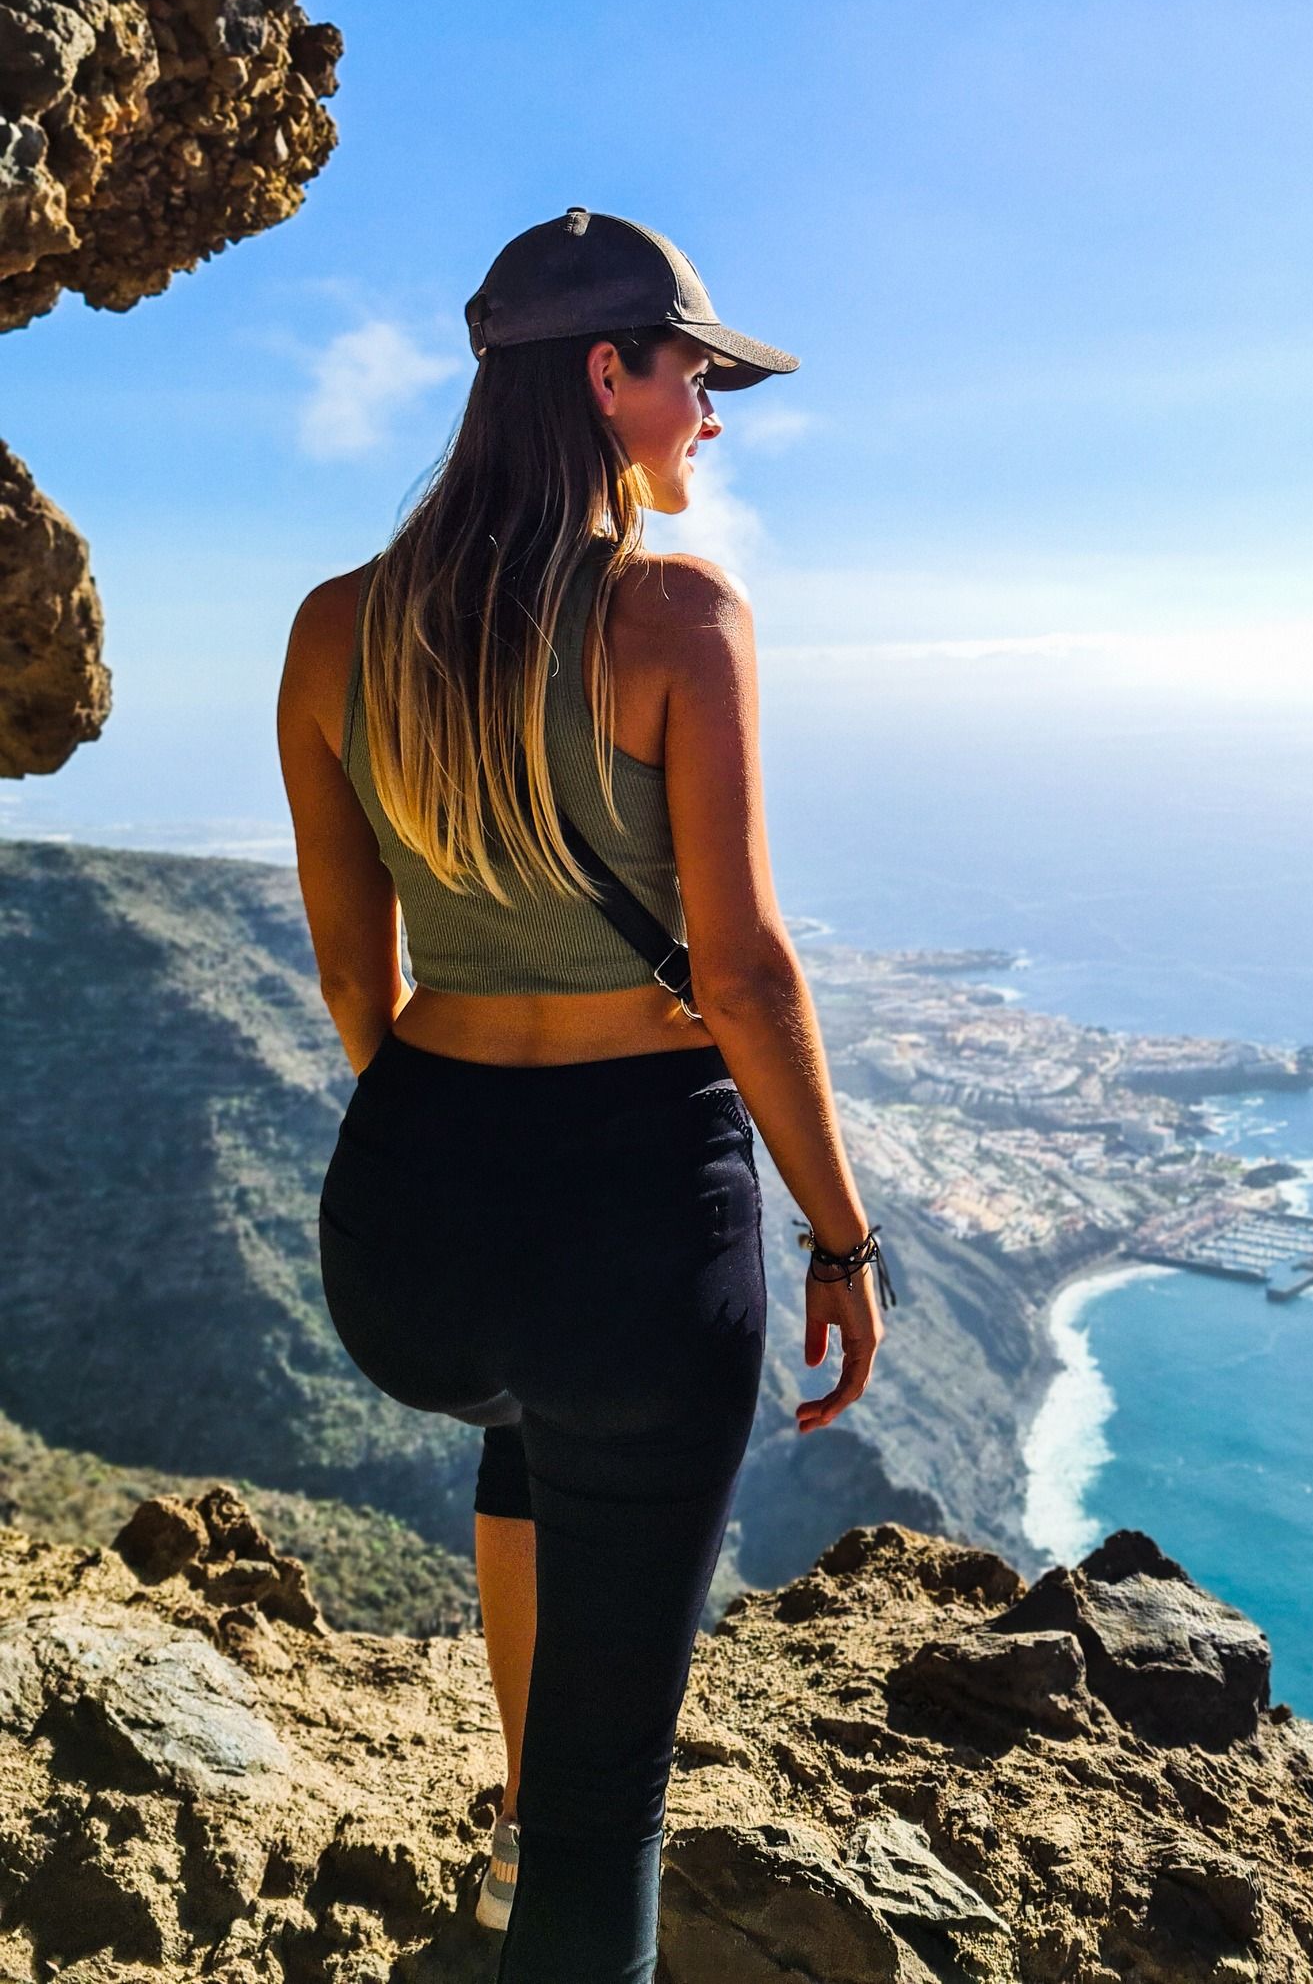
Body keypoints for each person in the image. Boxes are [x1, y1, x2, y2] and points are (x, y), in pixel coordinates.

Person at [275, 208, 886, 1983]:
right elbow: (746, 974)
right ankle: (555, 1880)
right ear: (609, 374)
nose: (715, 412)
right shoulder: (676, 616)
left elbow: (353, 978)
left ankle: (512, 1842)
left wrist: (452, 1156)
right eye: (698, 373)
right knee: (615, 1808)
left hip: (405, 1238)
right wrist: (842, 1242)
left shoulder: (333, 630)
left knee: (532, 1424)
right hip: (633, 1233)